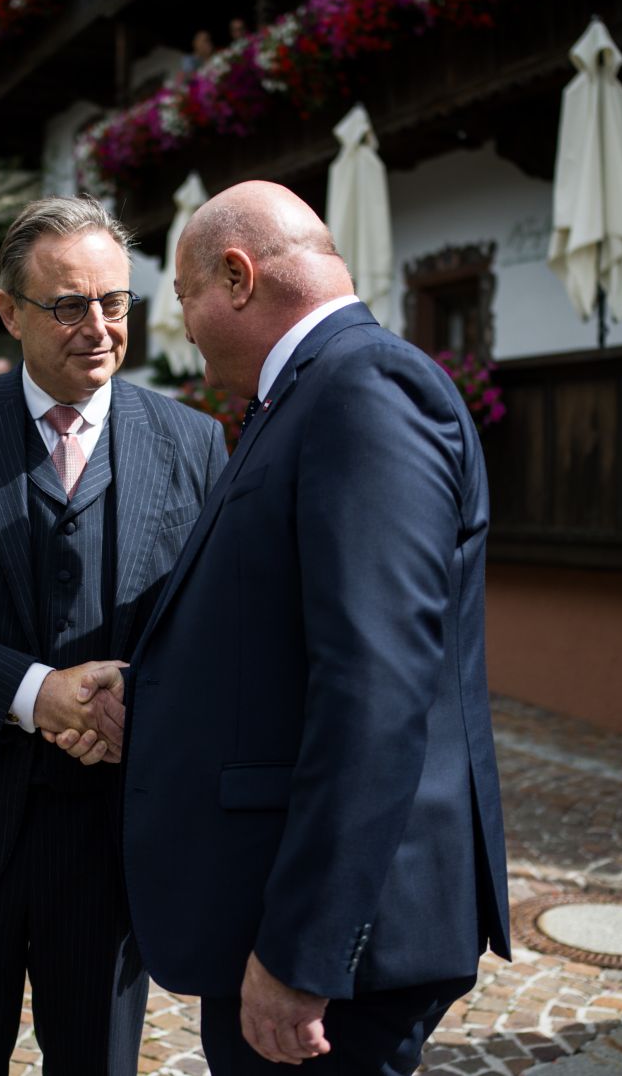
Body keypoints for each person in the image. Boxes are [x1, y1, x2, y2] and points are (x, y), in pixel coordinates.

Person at [80, 180, 510, 1073]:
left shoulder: (365, 390)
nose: (184, 335)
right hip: (275, 909)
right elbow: (278, 632)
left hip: (333, 950)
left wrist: (304, 953)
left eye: (184, 302)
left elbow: (377, 690)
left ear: (236, 277)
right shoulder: (310, 393)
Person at [0, 195, 226, 1073]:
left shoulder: (195, 443)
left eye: (115, 302)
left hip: (110, 850)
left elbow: (212, 635)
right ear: (9, 313)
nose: (97, 326)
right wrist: (36, 693)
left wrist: (137, 697)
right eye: (67, 305)